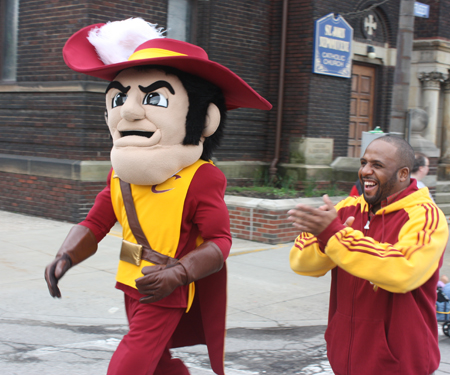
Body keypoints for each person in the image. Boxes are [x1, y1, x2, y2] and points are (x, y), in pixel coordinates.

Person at [44, 18, 271, 375]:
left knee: (129, 364)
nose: (130, 111)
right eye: (120, 97)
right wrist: (66, 256)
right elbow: (97, 221)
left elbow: (220, 240)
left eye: (154, 97)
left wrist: (179, 274)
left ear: (205, 118)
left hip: (167, 285)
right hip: (130, 277)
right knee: (156, 357)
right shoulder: (120, 173)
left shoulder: (200, 178)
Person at [288, 135, 448, 375]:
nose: (365, 171)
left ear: (403, 174)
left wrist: (336, 235)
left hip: (401, 363)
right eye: (364, 163)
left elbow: (403, 271)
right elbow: (300, 262)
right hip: (344, 356)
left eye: (377, 165)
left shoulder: (426, 216)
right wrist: (327, 237)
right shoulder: (345, 209)